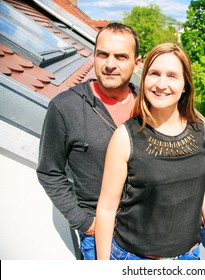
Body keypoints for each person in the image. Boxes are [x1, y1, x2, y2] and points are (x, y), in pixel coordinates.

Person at [95, 43, 205, 260]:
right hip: (134, 258)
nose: (161, 84)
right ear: (144, 78)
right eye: (154, 73)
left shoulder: (200, 129)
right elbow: (106, 208)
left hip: (189, 257)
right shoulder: (125, 137)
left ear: (185, 84)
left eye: (172, 76)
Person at [36, 22, 142, 260]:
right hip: (99, 240)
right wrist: (83, 222)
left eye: (121, 56)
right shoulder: (65, 107)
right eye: (102, 54)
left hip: (147, 236)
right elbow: (49, 172)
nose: (110, 64)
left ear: (136, 63)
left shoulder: (148, 106)